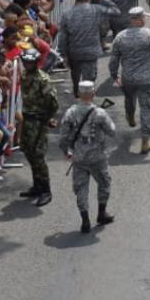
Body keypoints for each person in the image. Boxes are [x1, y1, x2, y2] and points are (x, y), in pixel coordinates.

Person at [108, 6, 150, 154]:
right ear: (141, 19)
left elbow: (113, 60)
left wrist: (114, 75)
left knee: (129, 99)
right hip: (146, 79)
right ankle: (145, 140)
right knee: (146, 109)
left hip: (128, 78)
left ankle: (130, 115)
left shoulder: (120, 36)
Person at [58, 80, 117, 234]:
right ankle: (102, 213)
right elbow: (112, 131)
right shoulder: (100, 113)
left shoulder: (70, 112)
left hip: (79, 157)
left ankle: (85, 219)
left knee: (81, 188)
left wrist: (66, 151)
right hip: (98, 156)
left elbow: (63, 137)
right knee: (104, 183)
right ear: (93, 94)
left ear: (78, 94)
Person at [18, 49, 58, 206]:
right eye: (25, 62)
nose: (27, 65)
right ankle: (37, 185)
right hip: (27, 120)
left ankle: (46, 190)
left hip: (39, 121)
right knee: (29, 153)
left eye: (30, 62)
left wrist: (46, 119)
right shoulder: (24, 76)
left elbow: (53, 103)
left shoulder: (43, 79)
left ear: (36, 63)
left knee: (39, 156)